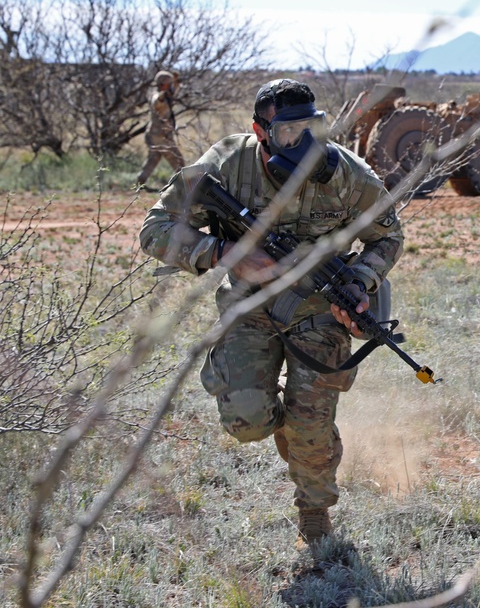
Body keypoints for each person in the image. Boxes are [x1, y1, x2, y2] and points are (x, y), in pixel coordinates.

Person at [139, 79, 404, 547]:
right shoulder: (225, 165)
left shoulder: (348, 174)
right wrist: (223, 251)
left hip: (319, 309)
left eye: (311, 127)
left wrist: (359, 282)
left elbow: (388, 238)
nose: (300, 140)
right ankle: (286, 419)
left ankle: (315, 511)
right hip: (250, 304)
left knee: (310, 423)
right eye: (287, 131)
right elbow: (156, 229)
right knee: (248, 422)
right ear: (260, 130)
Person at [137, 70, 185, 189]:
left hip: (155, 134)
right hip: (161, 136)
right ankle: (184, 185)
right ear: (163, 85)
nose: (171, 87)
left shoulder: (166, 95)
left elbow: (174, 91)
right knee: (178, 160)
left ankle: (140, 181)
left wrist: (176, 81)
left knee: (153, 159)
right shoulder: (158, 96)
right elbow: (157, 102)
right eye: (169, 84)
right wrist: (162, 95)